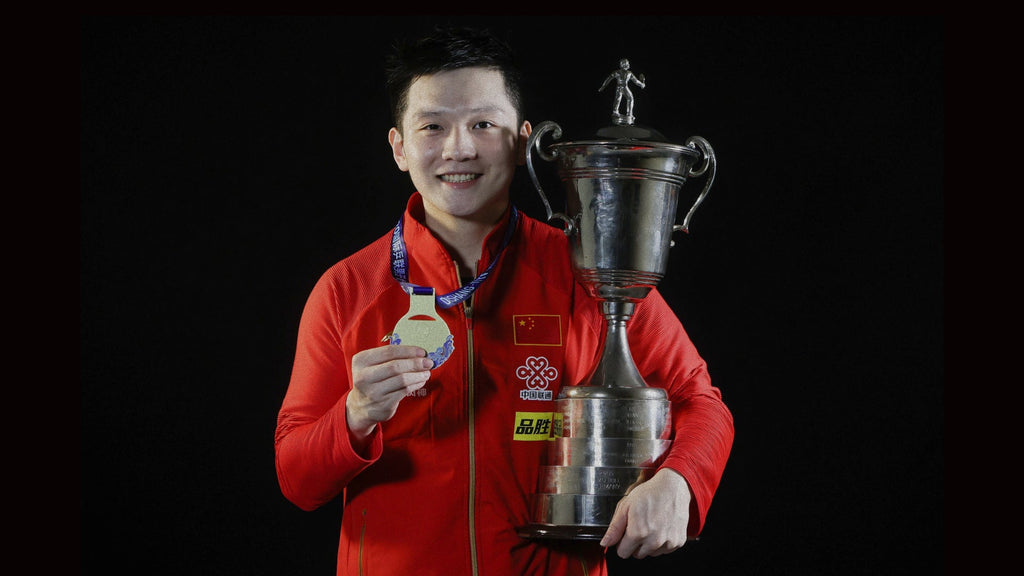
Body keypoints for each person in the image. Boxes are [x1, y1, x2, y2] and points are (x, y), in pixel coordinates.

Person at [274, 26, 734, 576]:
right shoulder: (348, 289)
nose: (459, 148)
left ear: (523, 141)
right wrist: (355, 416)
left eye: (483, 124)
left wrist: (680, 480)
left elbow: (701, 401)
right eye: (433, 126)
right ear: (399, 147)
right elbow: (297, 480)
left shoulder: (584, 270)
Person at [598, 58, 646, 124]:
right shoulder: (621, 72)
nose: (628, 64)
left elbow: (636, 81)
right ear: (622, 64)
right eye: (626, 63)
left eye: (628, 63)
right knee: (626, 99)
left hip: (621, 87)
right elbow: (608, 79)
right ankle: (625, 113)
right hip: (622, 87)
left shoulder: (626, 73)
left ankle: (624, 113)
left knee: (622, 99)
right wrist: (603, 86)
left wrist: (641, 85)